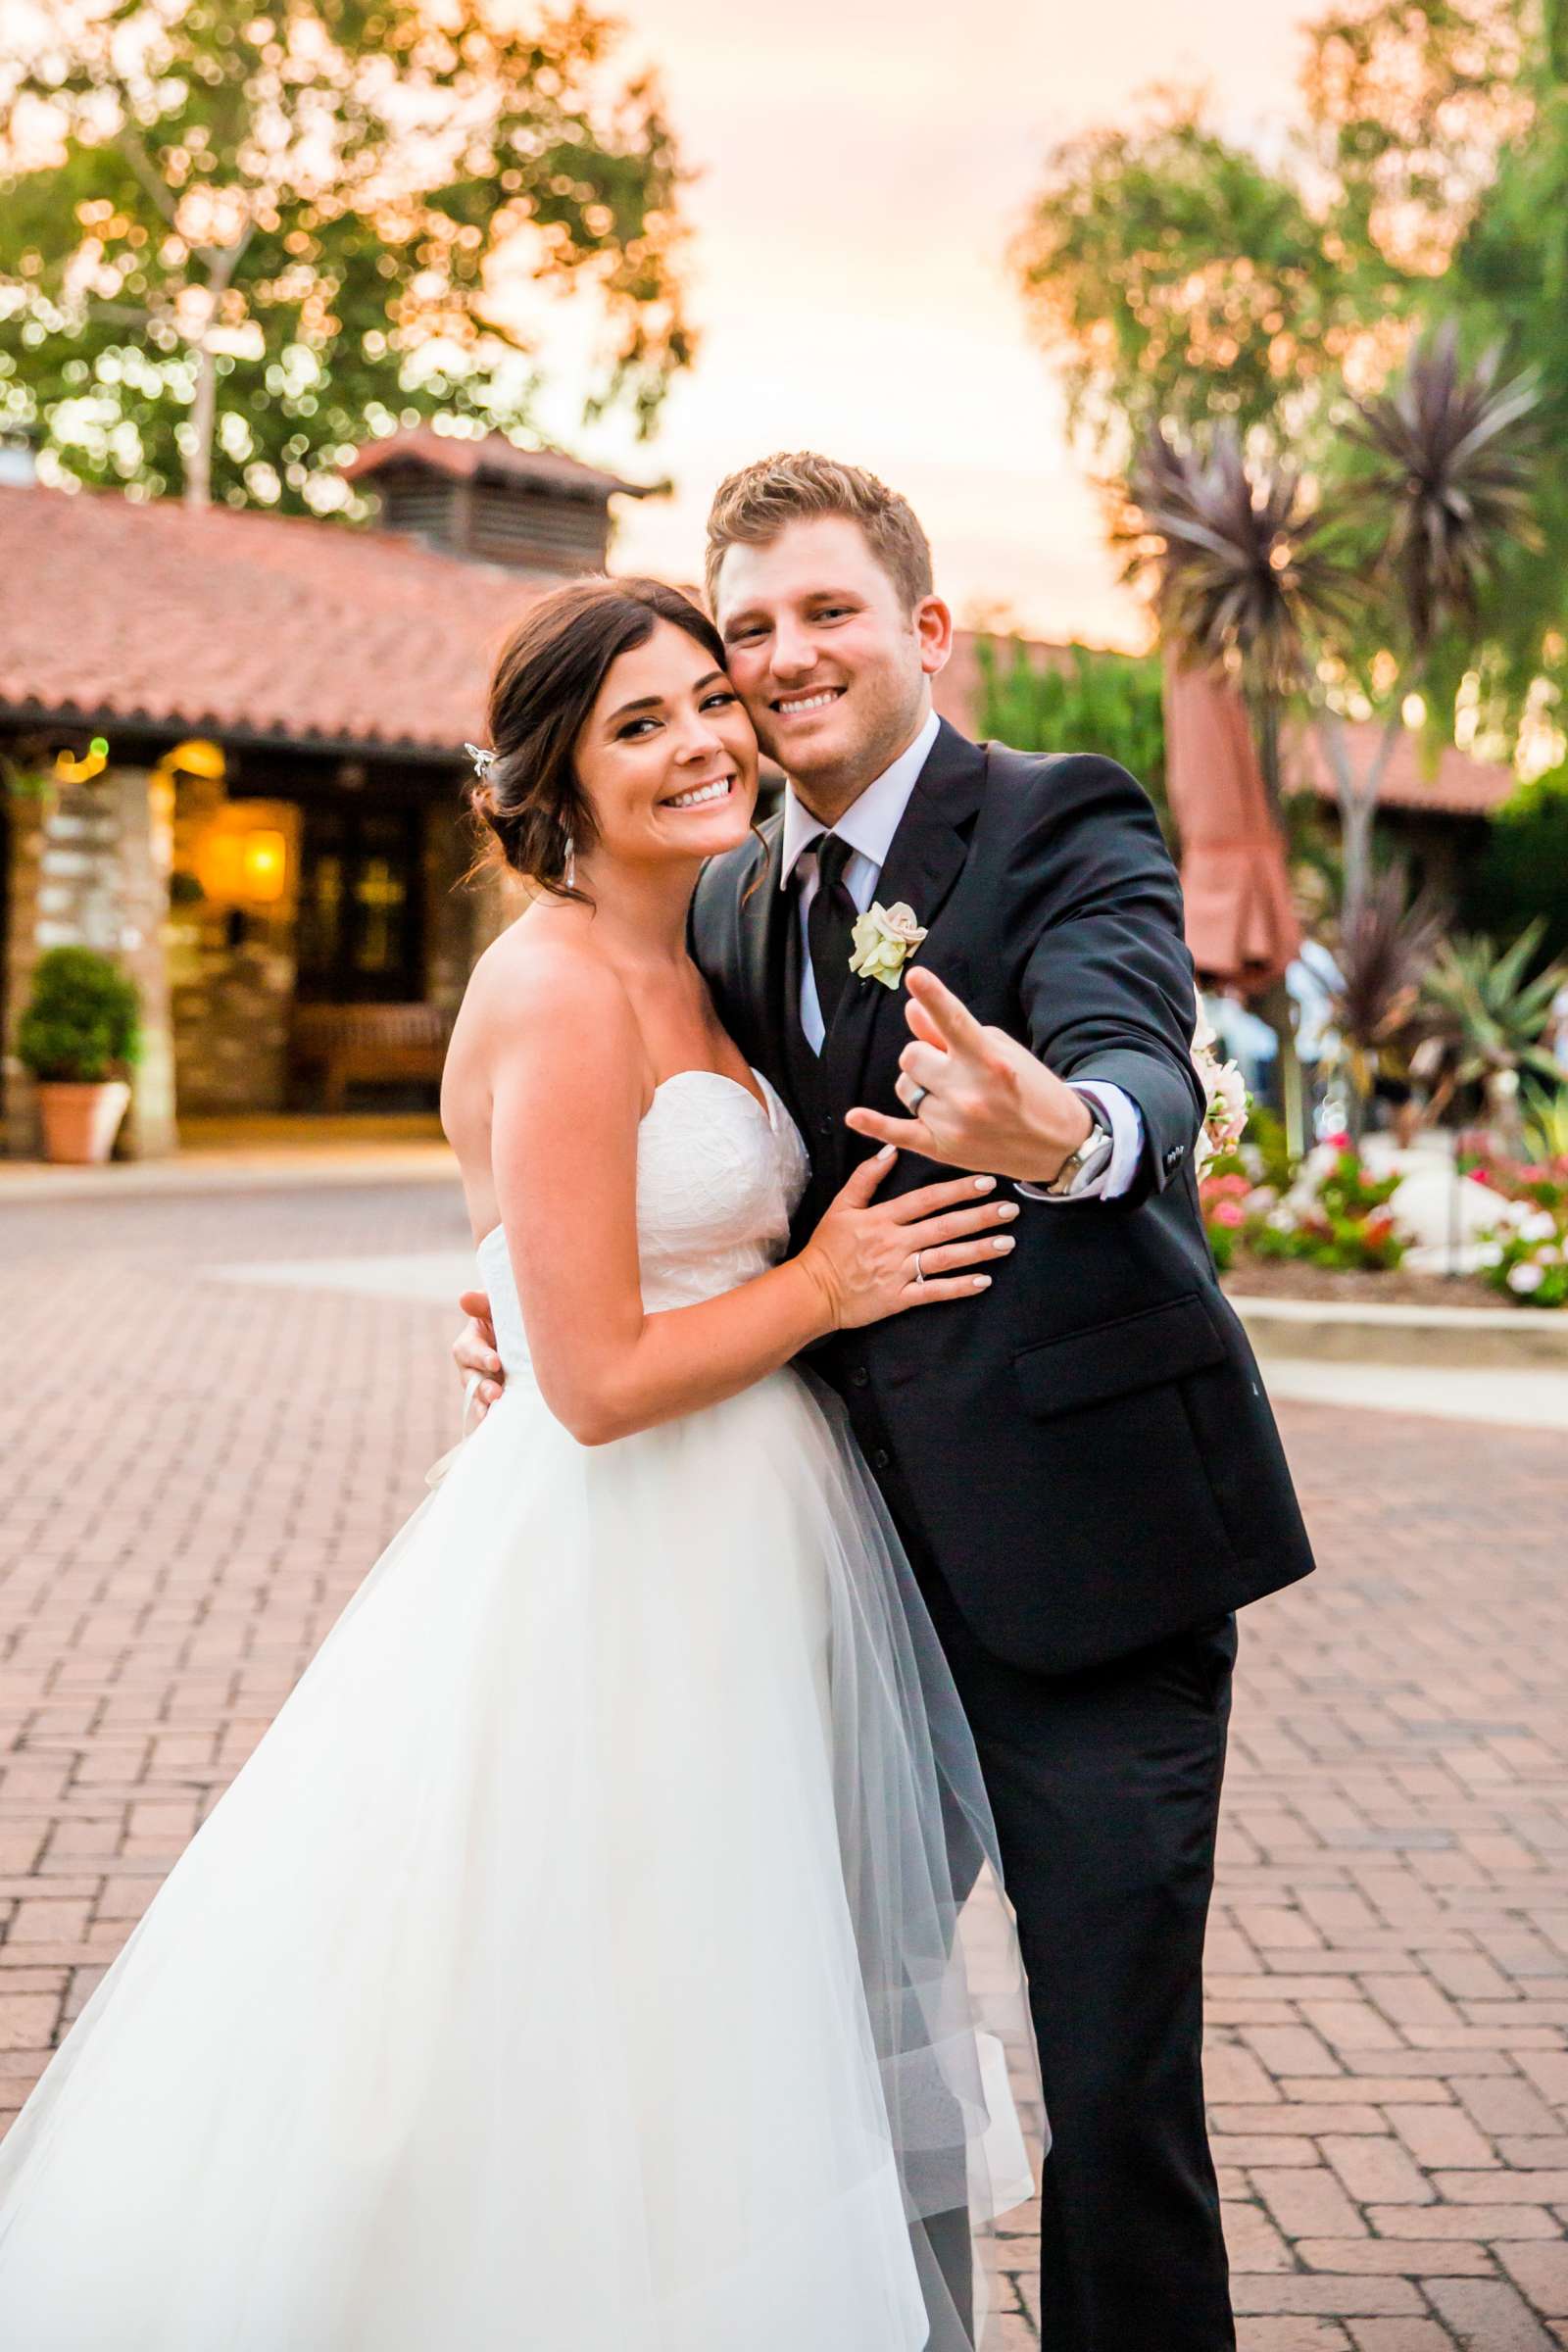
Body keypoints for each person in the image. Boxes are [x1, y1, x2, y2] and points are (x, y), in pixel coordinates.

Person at [0, 578, 1041, 2350]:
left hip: (756, 1544)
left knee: (734, 2013)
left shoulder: (708, 945)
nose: (706, 742)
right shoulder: (557, 989)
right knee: (608, 2012)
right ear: (551, 782)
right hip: (629, 1555)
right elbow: (593, 1381)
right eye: (640, 726)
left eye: (708, 701)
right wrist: (823, 1281)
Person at [457, 454, 1318, 2351]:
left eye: (823, 611)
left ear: (922, 628)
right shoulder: (734, 894)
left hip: (1086, 1573)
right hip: (819, 1596)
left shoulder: (1056, 821)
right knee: (828, 2058)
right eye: (743, 628)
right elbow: (677, 1171)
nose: (777, 659)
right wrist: (533, 1299)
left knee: (1109, 2097)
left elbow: (1128, 1047)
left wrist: (1072, 1127)